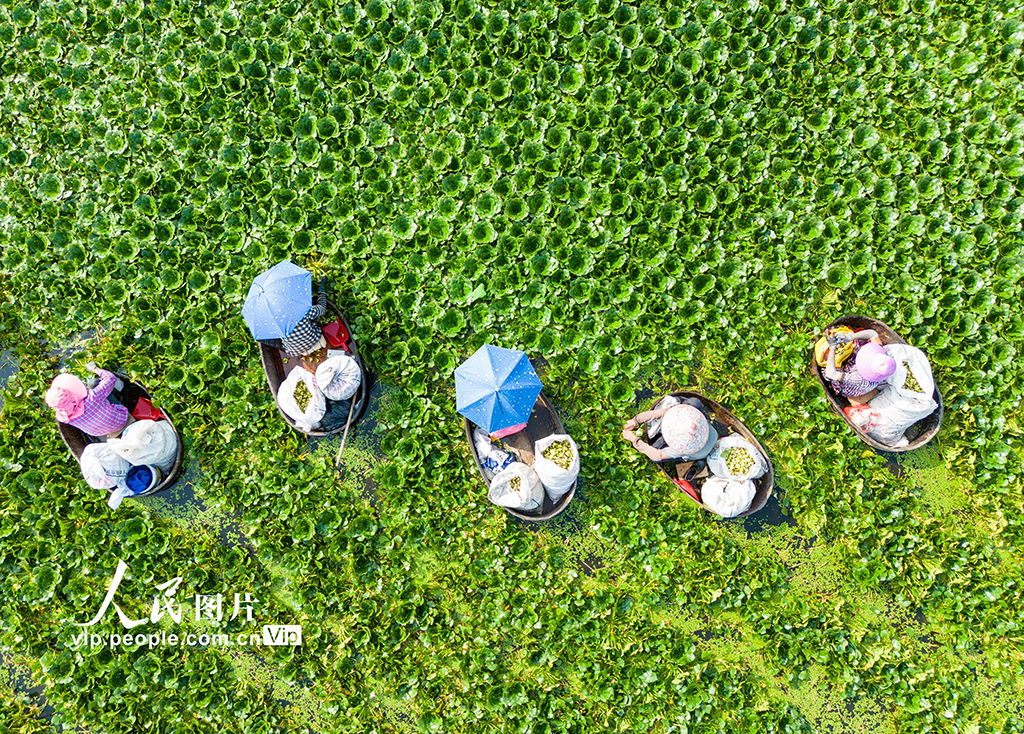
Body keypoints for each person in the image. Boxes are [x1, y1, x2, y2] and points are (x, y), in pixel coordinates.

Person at [46, 363, 132, 438]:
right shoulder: (93, 397)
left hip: (101, 432)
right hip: (122, 420)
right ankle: (120, 389)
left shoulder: (63, 417)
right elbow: (110, 378)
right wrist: (94, 369)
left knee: (93, 386)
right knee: (94, 383)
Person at [621, 398, 718, 463]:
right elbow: (663, 412)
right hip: (711, 436)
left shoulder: (682, 448)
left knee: (655, 447)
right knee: (694, 402)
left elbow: (656, 455)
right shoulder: (693, 420)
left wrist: (635, 440)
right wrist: (636, 421)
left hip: (699, 453)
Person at [823, 328, 897, 404]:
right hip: (856, 366)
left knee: (825, 370)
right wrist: (850, 337)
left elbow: (831, 374)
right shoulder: (881, 357)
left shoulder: (859, 380)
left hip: (846, 385)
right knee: (859, 342)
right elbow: (873, 334)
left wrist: (832, 347)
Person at [262, 279, 329, 357]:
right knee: (312, 319)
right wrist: (321, 288)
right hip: (314, 338)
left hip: (294, 351)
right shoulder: (301, 310)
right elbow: (322, 308)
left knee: (265, 339)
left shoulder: (271, 322)